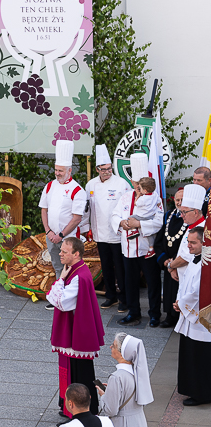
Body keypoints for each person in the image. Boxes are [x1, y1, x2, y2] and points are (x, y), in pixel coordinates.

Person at [46, 236, 106, 418]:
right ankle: (69, 406)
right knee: (75, 370)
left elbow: (60, 301)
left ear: (77, 254)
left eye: (64, 251)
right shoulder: (75, 269)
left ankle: (84, 411)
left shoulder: (79, 276)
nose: (60, 254)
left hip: (77, 334)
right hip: (74, 329)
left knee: (80, 372)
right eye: (61, 250)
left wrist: (60, 280)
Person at [111, 153, 164, 327]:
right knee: (130, 282)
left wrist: (138, 224)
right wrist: (121, 222)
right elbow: (115, 214)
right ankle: (133, 312)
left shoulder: (155, 199)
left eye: (139, 185)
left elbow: (158, 222)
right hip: (128, 248)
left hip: (147, 249)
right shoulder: (126, 197)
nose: (136, 188)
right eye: (134, 184)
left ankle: (155, 314)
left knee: (153, 282)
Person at [40, 139, 88, 310]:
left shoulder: (77, 190)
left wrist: (60, 235)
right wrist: (48, 231)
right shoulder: (49, 186)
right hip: (51, 235)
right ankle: (59, 296)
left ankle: (70, 297)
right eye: (56, 170)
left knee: (70, 266)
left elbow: (76, 218)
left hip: (67, 237)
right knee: (56, 263)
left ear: (69, 170)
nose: (57, 173)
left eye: (60, 171)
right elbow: (44, 210)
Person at [85, 145, 131, 312]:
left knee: (120, 268)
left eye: (109, 168)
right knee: (105, 267)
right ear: (97, 169)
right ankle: (110, 296)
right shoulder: (90, 185)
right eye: (103, 169)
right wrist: (86, 228)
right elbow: (87, 208)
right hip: (100, 233)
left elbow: (128, 207)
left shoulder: (122, 184)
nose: (107, 172)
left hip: (117, 234)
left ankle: (124, 298)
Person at [172, 227, 211, 406]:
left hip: (200, 320)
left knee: (200, 356)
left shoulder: (207, 264)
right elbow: (186, 284)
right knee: (190, 354)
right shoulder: (195, 260)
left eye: (193, 242)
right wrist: (179, 301)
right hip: (189, 314)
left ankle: (202, 394)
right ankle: (190, 388)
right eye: (188, 241)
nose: (188, 245)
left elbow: (198, 291)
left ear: (205, 243)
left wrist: (182, 304)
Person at [96, 333, 153, 426]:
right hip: (139, 421)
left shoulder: (116, 377)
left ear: (122, 354)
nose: (110, 347)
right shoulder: (139, 373)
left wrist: (103, 396)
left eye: (114, 346)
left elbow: (110, 411)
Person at [154, 188, 186, 328]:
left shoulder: (189, 219)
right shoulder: (168, 216)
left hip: (182, 262)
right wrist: (165, 261)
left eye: (182, 200)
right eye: (177, 200)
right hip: (168, 262)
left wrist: (175, 262)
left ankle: (180, 316)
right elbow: (160, 241)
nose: (179, 203)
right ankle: (169, 316)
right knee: (168, 289)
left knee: (180, 289)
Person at [165, 184, 205, 289]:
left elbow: (185, 257)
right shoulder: (191, 226)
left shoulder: (201, 229)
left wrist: (171, 266)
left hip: (194, 283)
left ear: (195, 212)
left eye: (184, 212)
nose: (181, 215)